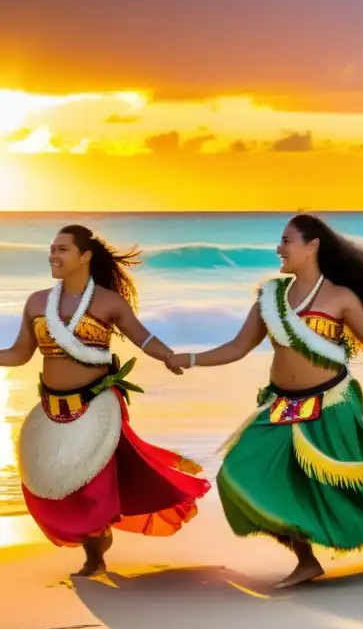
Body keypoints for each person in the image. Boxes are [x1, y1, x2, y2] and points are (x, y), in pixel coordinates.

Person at [167, 214, 363, 588]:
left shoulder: (341, 297)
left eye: (287, 240)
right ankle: (305, 559)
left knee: (330, 485)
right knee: (237, 472)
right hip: (280, 404)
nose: (279, 248)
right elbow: (237, 347)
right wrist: (192, 358)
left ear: (312, 246)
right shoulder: (271, 296)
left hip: (329, 403)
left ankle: (332, 542)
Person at [0, 225, 209, 576]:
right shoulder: (37, 302)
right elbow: (20, 354)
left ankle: (95, 554)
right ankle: (92, 543)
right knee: (56, 491)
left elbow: (144, 339)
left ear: (85, 256)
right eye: (51, 249)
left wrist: (169, 356)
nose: (53, 255)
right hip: (51, 410)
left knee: (94, 489)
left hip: (96, 408)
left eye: (62, 249)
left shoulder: (109, 302)